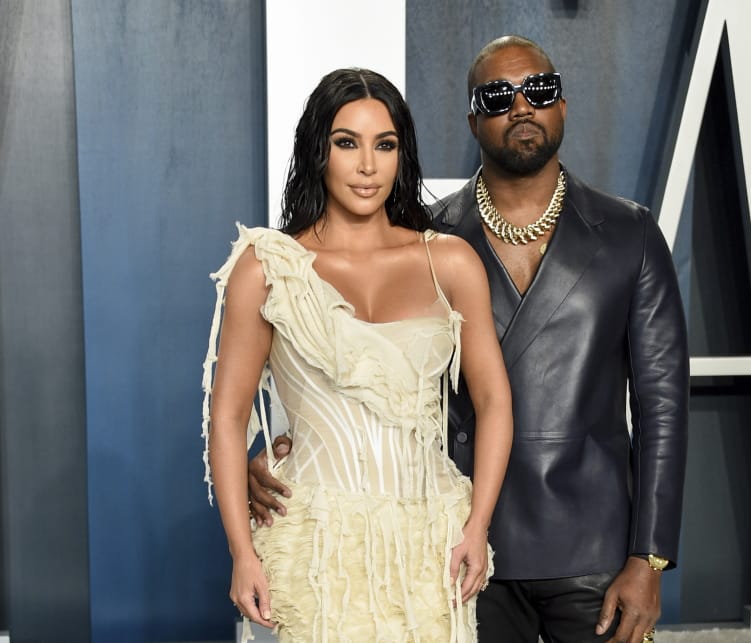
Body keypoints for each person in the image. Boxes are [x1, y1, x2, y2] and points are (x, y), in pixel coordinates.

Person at [250, 36, 688, 643]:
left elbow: (663, 406)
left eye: (539, 90)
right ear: (472, 119)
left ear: (562, 104)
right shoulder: (428, 240)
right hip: (457, 542)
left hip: (594, 545)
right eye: (497, 96)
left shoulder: (629, 233)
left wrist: (650, 556)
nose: (522, 107)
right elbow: (366, 367)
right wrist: (286, 455)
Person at [202, 67, 513, 642]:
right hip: (311, 546)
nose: (368, 165)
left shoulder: (450, 262)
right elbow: (227, 416)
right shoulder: (269, 268)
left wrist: (477, 525)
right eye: (347, 143)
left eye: (385, 145)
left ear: (402, 155)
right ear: (318, 150)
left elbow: (494, 399)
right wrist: (241, 552)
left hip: (429, 542)